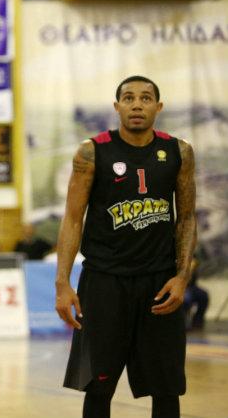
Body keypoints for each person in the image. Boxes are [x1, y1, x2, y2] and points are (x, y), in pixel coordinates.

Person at [54, 75, 196, 418]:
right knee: (98, 388)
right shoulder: (92, 152)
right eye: (129, 98)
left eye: (145, 98)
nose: (137, 105)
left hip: (158, 281)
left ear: (158, 107)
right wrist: (62, 283)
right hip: (104, 281)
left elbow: (187, 218)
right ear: (116, 107)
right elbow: (72, 219)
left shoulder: (179, 151)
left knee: (166, 388)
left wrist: (181, 277)